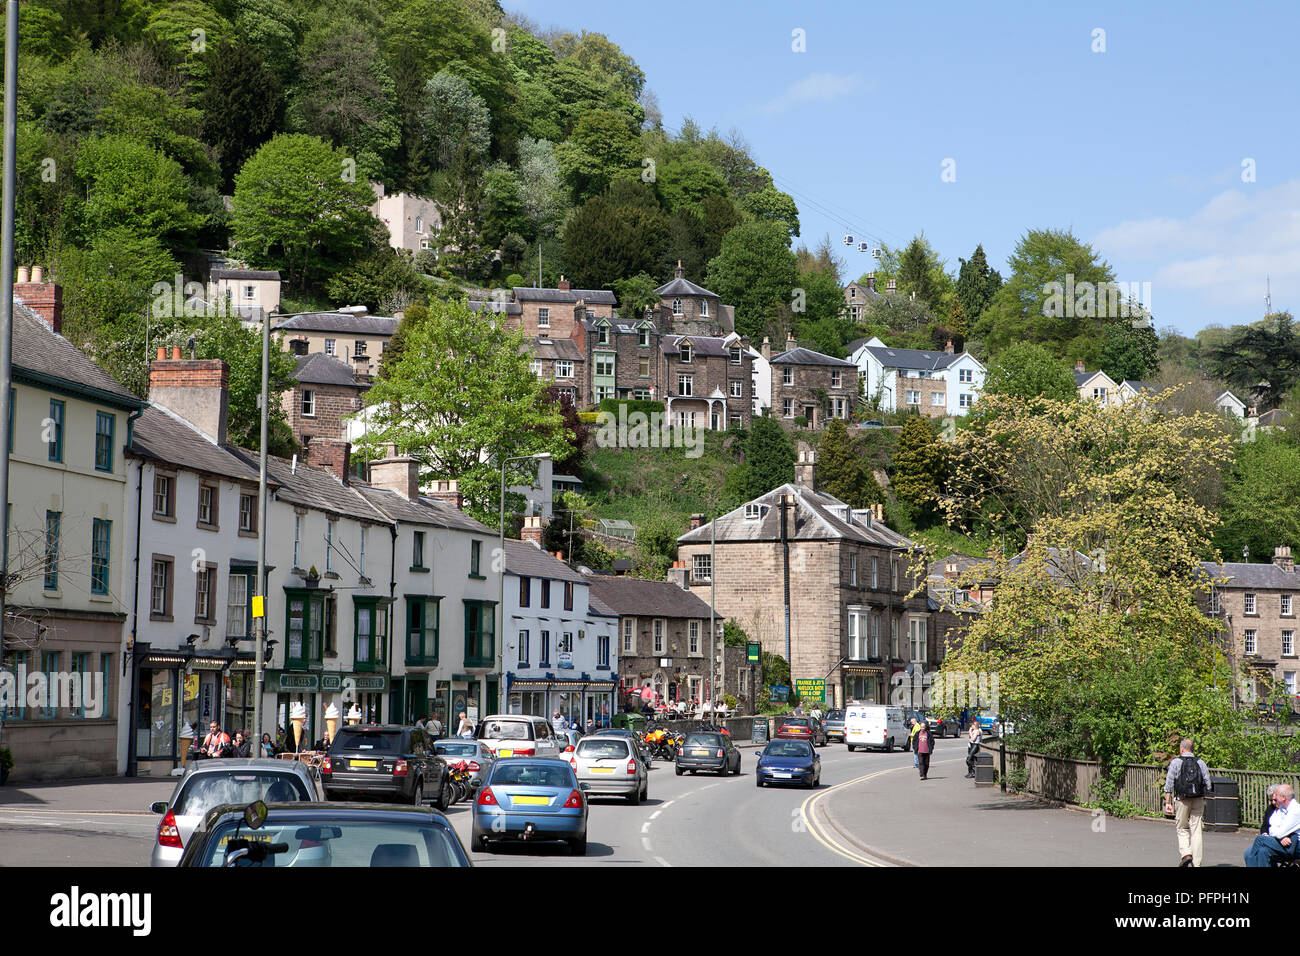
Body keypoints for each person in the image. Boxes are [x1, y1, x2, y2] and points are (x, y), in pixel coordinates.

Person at [1162, 738, 1213, 867]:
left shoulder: (1176, 762)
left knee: (1182, 828)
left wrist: (1167, 802)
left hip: (1182, 800)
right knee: (1196, 830)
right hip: (1198, 799)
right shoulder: (1200, 762)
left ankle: (1186, 854)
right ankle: (1197, 863)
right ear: (1192, 749)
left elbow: (1169, 784)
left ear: (1182, 749)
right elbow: (1208, 783)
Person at [1244, 784, 1300, 866]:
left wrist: (1280, 834)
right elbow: (1272, 825)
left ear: (1283, 797)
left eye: (1276, 796)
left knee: (1260, 840)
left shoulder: (1295, 810)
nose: (1274, 799)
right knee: (1263, 851)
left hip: (1295, 845)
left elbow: (1280, 832)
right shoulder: (1281, 808)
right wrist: (1281, 837)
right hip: (1283, 842)